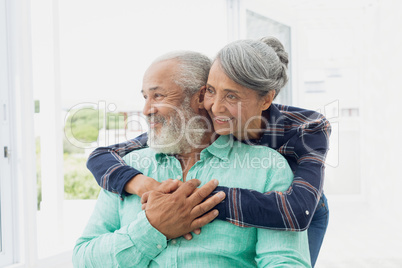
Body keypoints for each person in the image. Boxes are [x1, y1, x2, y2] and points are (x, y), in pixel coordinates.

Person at [86, 37, 330, 267]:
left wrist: (185, 204)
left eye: (158, 95)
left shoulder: (301, 133)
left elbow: (298, 211)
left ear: (266, 99)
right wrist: (142, 192)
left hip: (303, 206)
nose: (215, 106)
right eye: (211, 91)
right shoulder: (146, 154)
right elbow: (101, 155)